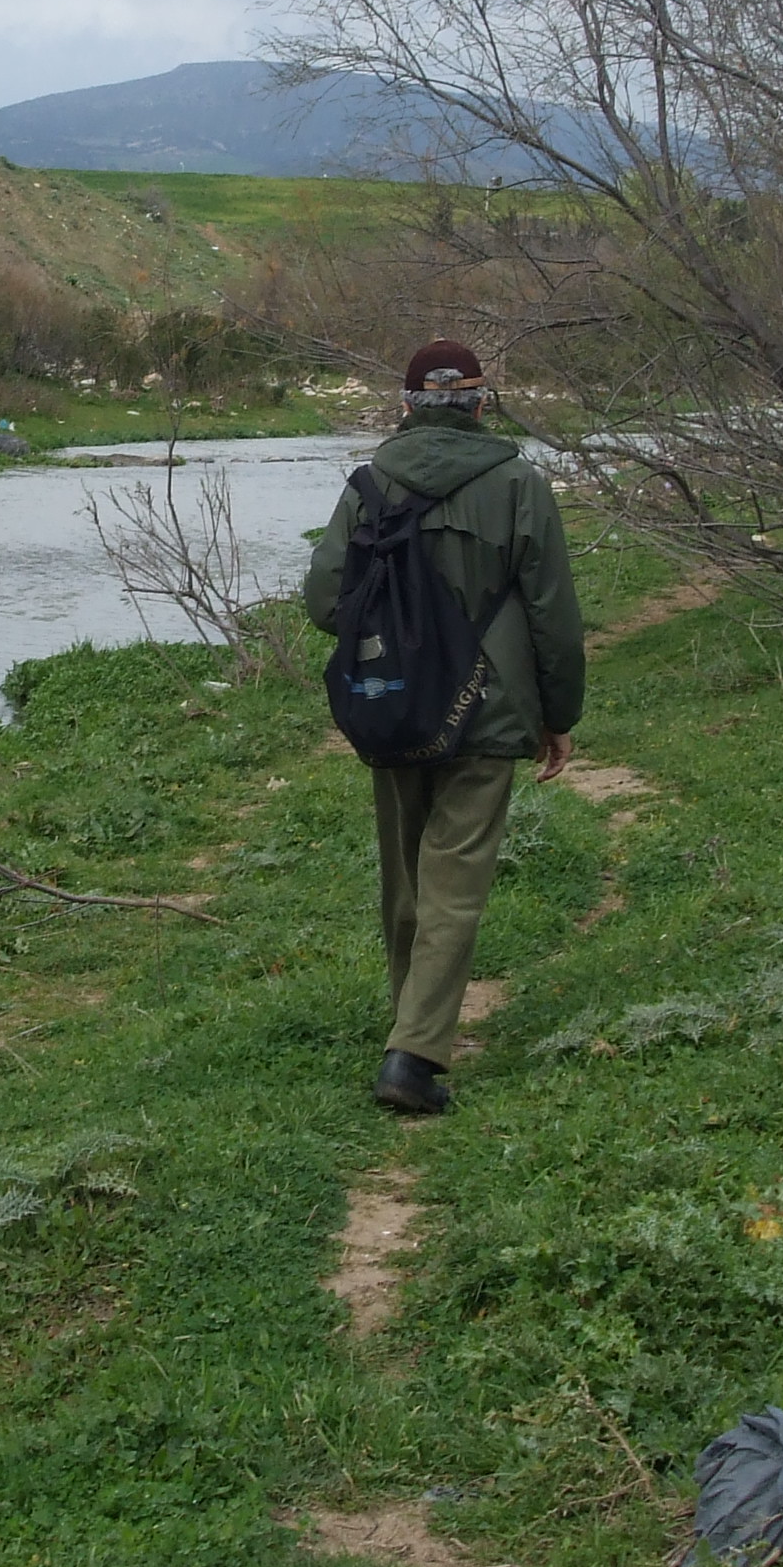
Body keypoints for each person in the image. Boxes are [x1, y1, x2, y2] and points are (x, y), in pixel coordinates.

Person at [301, 340, 585, 1115]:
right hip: (488, 710)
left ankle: (411, 1026)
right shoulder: (520, 484)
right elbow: (554, 615)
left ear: (406, 406)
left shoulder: (369, 484)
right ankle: (413, 1055)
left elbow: (324, 601)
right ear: (481, 405)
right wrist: (559, 716)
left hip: (395, 705)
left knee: (405, 882)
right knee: (453, 884)